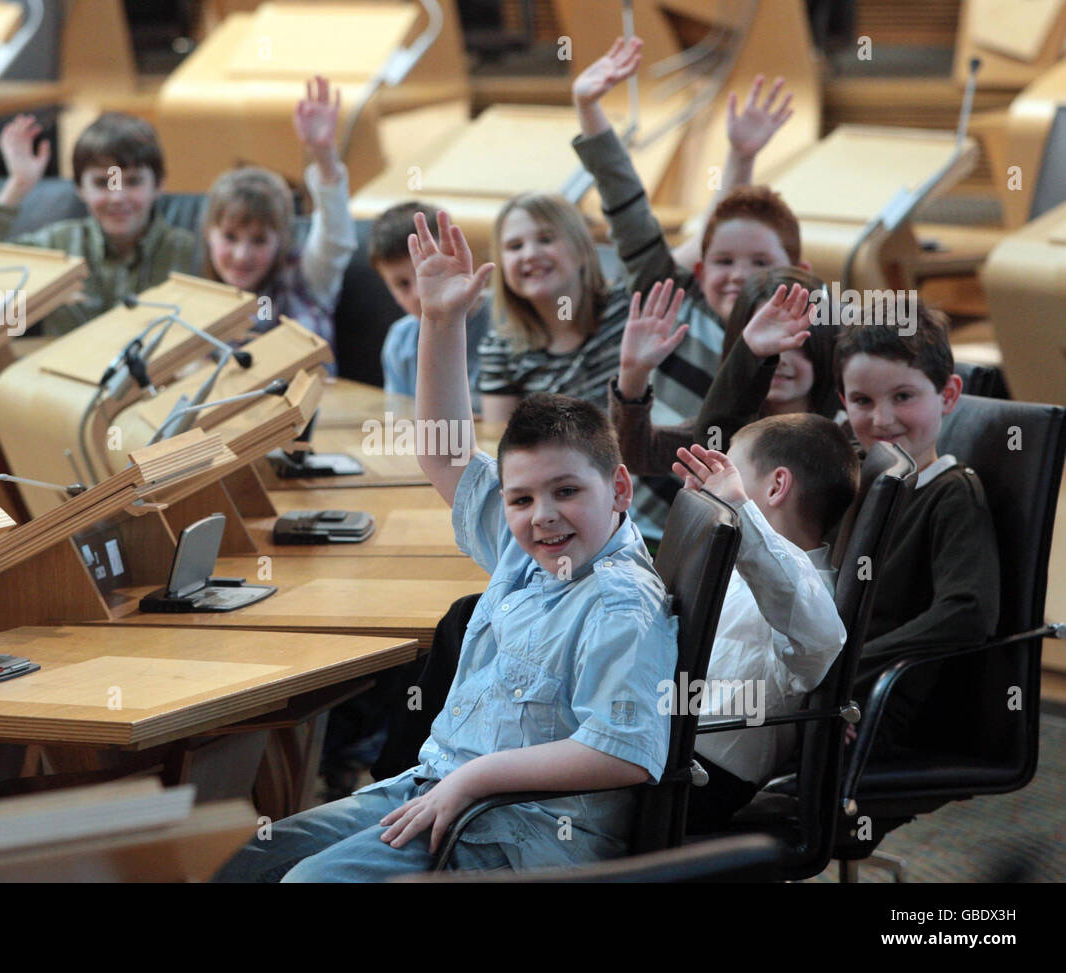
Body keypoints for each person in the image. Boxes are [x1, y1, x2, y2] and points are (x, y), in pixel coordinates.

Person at [216, 211, 678, 881]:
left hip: (521, 832)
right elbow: (444, 452)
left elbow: (625, 753)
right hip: (439, 789)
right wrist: (441, 320)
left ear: (620, 488)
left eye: (566, 492)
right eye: (521, 499)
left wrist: (475, 779)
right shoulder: (531, 550)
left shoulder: (620, 598)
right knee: (243, 860)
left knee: (307, 882)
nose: (541, 515)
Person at [476, 36, 802, 541]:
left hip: (729, 532)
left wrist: (739, 157)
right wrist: (588, 108)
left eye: (545, 239)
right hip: (629, 529)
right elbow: (633, 207)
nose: (737, 275)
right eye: (514, 246)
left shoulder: (787, 341)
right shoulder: (665, 301)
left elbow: (713, 227)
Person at [669, 418, 857, 831]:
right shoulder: (737, 560)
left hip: (697, 775)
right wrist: (697, 526)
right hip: (661, 742)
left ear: (775, 488)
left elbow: (822, 640)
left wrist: (737, 510)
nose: (713, 487)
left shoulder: (808, 588)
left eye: (729, 474)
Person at [834, 307, 1000, 752]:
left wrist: (846, 669)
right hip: (824, 686)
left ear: (948, 395)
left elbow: (967, 612)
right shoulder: (848, 476)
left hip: (882, 703)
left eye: (903, 396)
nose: (882, 420)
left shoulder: (952, 495)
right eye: (862, 401)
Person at [0, 110, 194, 338]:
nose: (117, 197)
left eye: (133, 181)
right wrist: (18, 185)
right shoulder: (58, 244)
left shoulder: (190, 252)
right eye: (102, 183)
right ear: (80, 188)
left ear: (159, 184)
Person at [611, 268, 843, 475]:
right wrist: (633, 374)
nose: (780, 357)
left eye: (796, 339)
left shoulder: (846, 437)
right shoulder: (719, 433)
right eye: (766, 341)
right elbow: (636, 455)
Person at [200, 76, 356, 356]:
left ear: (281, 239)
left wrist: (324, 155)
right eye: (230, 237)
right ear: (208, 233)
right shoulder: (197, 298)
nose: (241, 255)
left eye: (259, 240)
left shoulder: (305, 279)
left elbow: (336, 238)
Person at [371, 201, 490, 408]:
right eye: (402, 284)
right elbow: (403, 421)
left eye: (429, 274)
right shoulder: (400, 342)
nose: (419, 293)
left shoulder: (511, 318)